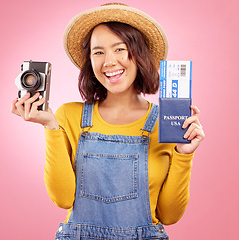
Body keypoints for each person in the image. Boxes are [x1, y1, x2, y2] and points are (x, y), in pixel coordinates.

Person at [11, 3, 205, 240]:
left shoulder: (165, 123)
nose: (109, 61)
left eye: (119, 49)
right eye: (98, 52)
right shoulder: (68, 116)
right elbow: (62, 199)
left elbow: (169, 215)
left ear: (140, 54)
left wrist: (184, 154)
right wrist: (50, 127)